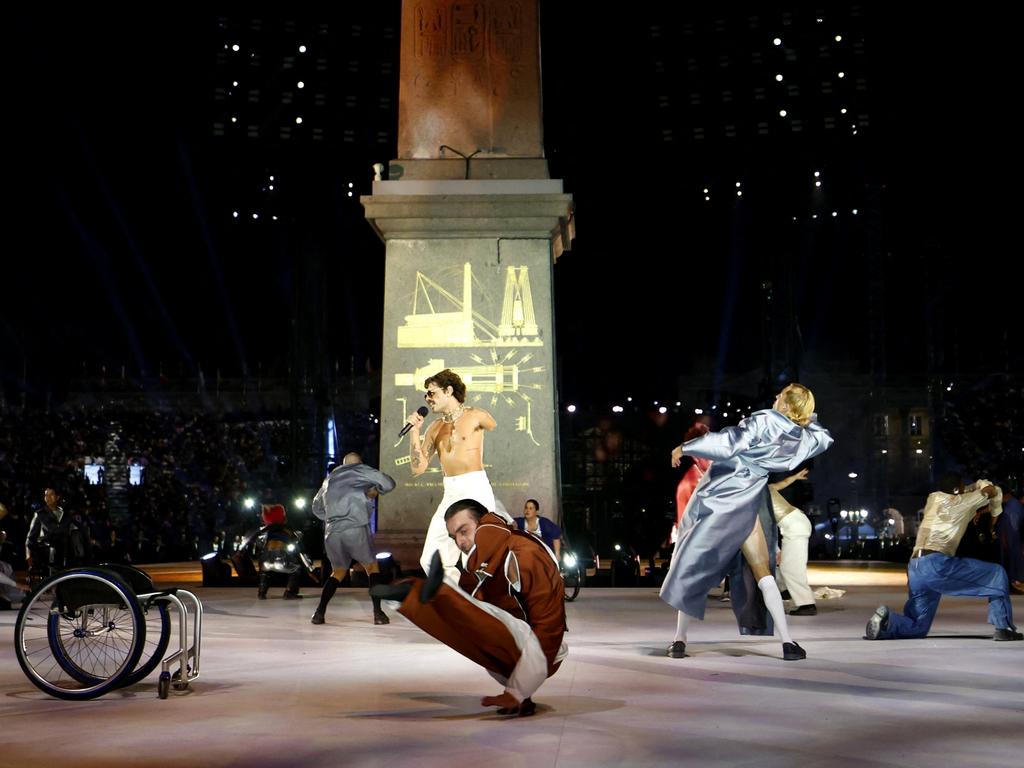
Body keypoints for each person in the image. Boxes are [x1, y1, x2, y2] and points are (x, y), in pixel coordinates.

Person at [661, 384, 833, 661]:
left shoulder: (765, 420)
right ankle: (788, 642)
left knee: (693, 565)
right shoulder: (800, 437)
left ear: (787, 405)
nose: (775, 398)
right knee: (763, 572)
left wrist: (686, 446)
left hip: (726, 494)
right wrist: (806, 419)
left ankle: (679, 640)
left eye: (780, 396)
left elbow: (730, 442)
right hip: (752, 497)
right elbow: (822, 438)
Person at [371, 498, 566, 717]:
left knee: (472, 616)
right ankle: (413, 597)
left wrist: (518, 690)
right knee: (463, 623)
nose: (460, 542)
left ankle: (431, 593)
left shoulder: (524, 554)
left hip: (543, 650)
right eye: (454, 537)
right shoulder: (479, 562)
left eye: (464, 531)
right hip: (511, 646)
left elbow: (549, 624)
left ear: (483, 524)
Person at [864, 474, 1021, 641]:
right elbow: (991, 490)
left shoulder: (934, 498)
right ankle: (1003, 628)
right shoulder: (962, 502)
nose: (964, 490)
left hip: (915, 566)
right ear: (956, 490)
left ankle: (886, 622)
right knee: (996, 573)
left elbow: (967, 491)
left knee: (918, 626)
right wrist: (984, 489)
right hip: (937, 564)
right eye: (961, 487)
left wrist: (970, 488)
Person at [405, 368, 512, 579]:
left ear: (448, 391)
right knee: (431, 558)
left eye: (432, 393)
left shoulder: (476, 416)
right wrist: (415, 433)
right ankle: (459, 601)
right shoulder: (434, 428)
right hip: (451, 492)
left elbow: (493, 425)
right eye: (425, 394)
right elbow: (418, 468)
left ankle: (491, 601)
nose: (428, 398)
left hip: (476, 488)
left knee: (479, 556)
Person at [309, 452, 396, 625]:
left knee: (338, 572)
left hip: (332, 532)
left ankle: (319, 613)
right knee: (372, 567)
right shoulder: (360, 470)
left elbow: (316, 507)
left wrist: (334, 516)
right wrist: (374, 492)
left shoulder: (329, 479)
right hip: (355, 528)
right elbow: (389, 483)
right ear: (359, 463)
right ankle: (378, 614)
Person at [769, 468, 817, 615]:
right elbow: (782, 483)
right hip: (796, 523)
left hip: (794, 526)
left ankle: (807, 605)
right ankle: (790, 594)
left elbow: (765, 525)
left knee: (790, 568)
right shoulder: (765, 488)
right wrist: (795, 477)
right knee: (787, 566)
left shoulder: (755, 493)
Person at [25, 487, 93, 576]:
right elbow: (30, 538)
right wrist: (29, 555)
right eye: (46, 495)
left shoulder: (66, 514)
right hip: (47, 553)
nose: (48, 497)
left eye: (51, 494)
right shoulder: (40, 514)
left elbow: (79, 529)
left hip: (65, 553)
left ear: (57, 497)